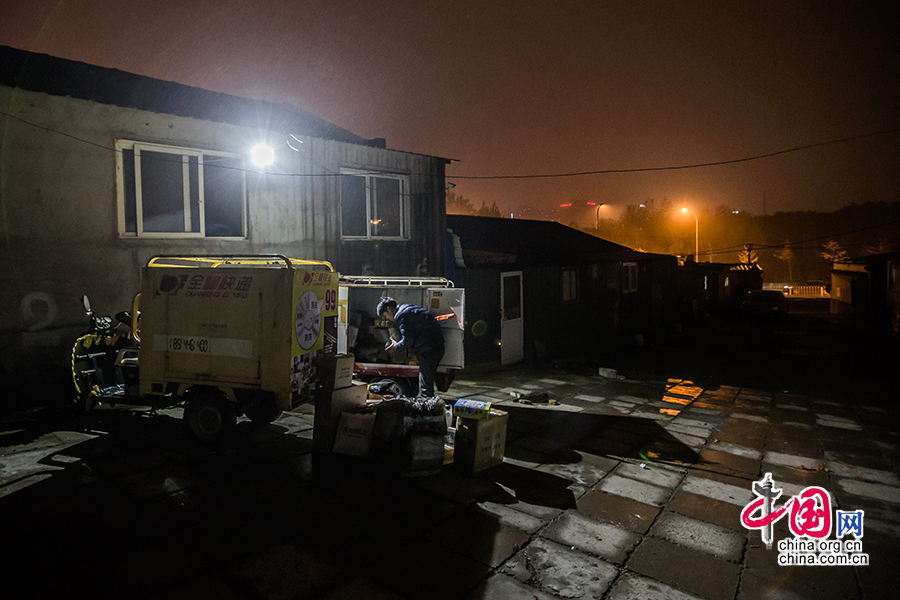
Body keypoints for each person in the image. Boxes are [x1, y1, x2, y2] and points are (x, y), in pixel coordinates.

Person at [376, 296, 445, 397]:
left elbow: (408, 341)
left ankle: (428, 408)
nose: (388, 319)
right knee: (426, 381)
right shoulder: (406, 308)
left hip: (429, 350)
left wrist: (396, 346)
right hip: (434, 346)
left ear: (389, 309)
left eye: (386, 316)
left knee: (425, 385)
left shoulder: (401, 315)